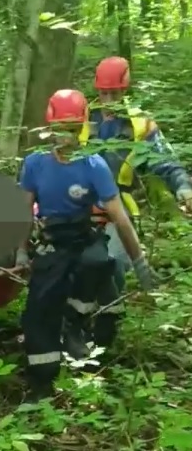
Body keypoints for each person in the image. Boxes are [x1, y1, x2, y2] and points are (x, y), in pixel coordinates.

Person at [17, 89, 154, 403]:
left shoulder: (93, 165)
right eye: (59, 128)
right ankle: (42, 381)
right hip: (52, 240)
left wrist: (139, 262)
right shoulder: (35, 164)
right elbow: (23, 212)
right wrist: (21, 251)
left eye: (71, 128)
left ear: (81, 126)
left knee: (99, 262)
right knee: (39, 309)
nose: (65, 136)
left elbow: (120, 217)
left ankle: (75, 325)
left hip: (83, 235)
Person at [63, 56, 192, 354]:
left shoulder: (141, 124)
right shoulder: (83, 117)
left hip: (119, 206)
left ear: (125, 90)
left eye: (115, 93)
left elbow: (165, 162)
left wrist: (183, 188)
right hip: (78, 204)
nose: (109, 100)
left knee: (114, 264)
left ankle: (105, 333)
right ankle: (74, 329)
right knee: (74, 266)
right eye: (104, 93)